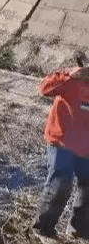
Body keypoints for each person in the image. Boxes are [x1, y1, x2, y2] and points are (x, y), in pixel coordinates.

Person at [31, 62, 89, 241]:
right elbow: (43, 88)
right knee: (61, 181)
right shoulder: (72, 79)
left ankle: (78, 229)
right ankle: (43, 229)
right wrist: (68, 75)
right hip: (61, 141)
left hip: (85, 145)